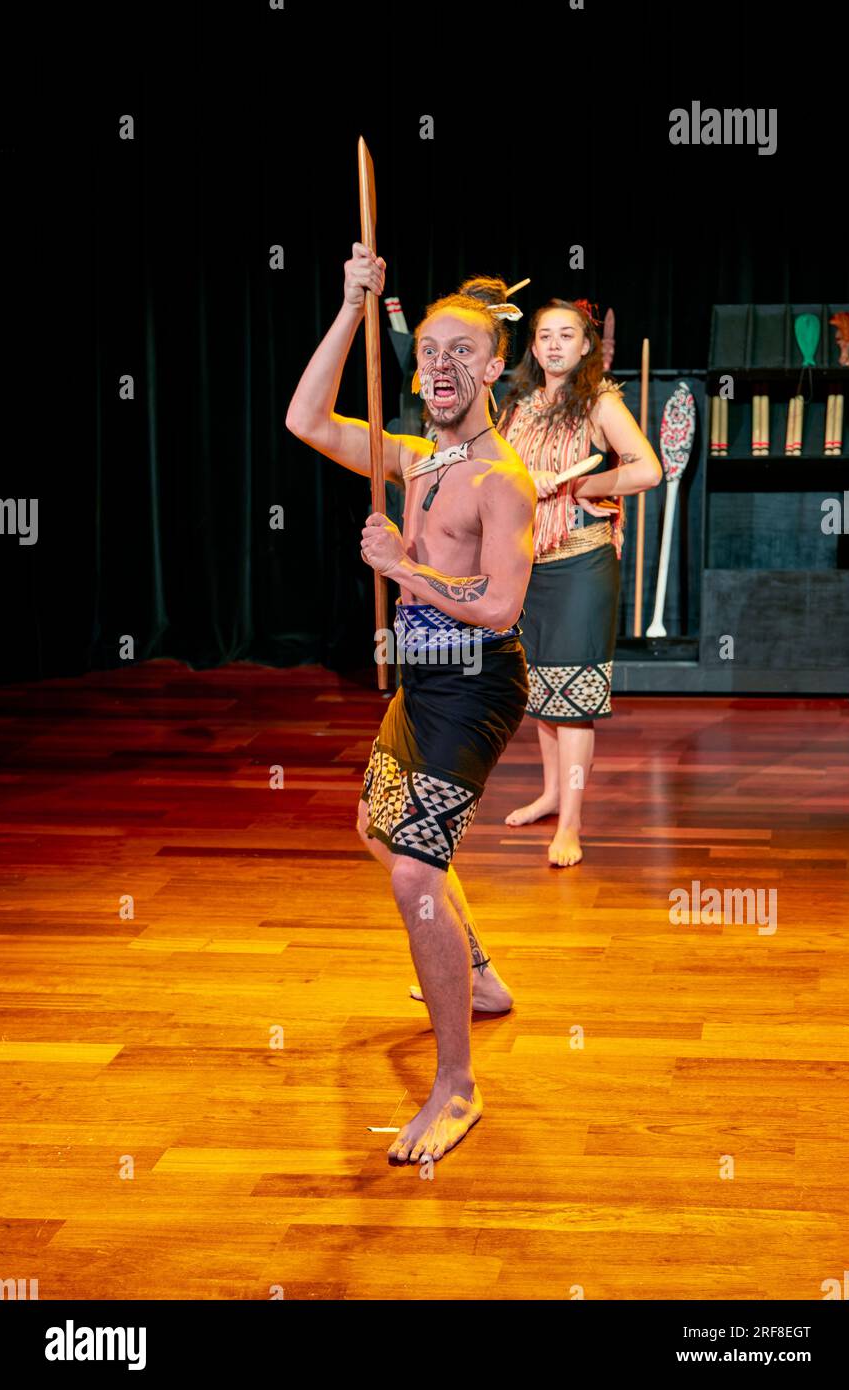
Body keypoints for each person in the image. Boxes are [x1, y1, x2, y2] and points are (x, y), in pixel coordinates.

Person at [286, 248, 535, 1163]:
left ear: (494, 365)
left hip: (474, 684)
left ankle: (459, 1087)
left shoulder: (498, 478)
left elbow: (502, 606)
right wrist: (353, 306)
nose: (440, 365)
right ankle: (478, 975)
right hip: (420, 681)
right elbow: (305, 416)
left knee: (413, 875)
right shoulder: (420, 460)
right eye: (428, 349)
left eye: (462, 351)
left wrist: (405, 570)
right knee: (376, 827)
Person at [497, 298, 662, 865]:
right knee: (543, 688)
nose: (554, 345)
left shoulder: (600, 400)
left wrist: (588, 488)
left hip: (581, 564)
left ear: (587, 344)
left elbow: (646, 467)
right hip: (528, 565)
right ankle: (549, 793)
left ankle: (571, 823)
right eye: (544, 335)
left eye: (567, 335)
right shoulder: (519, 404)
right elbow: (500, 472)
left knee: (573, 699)